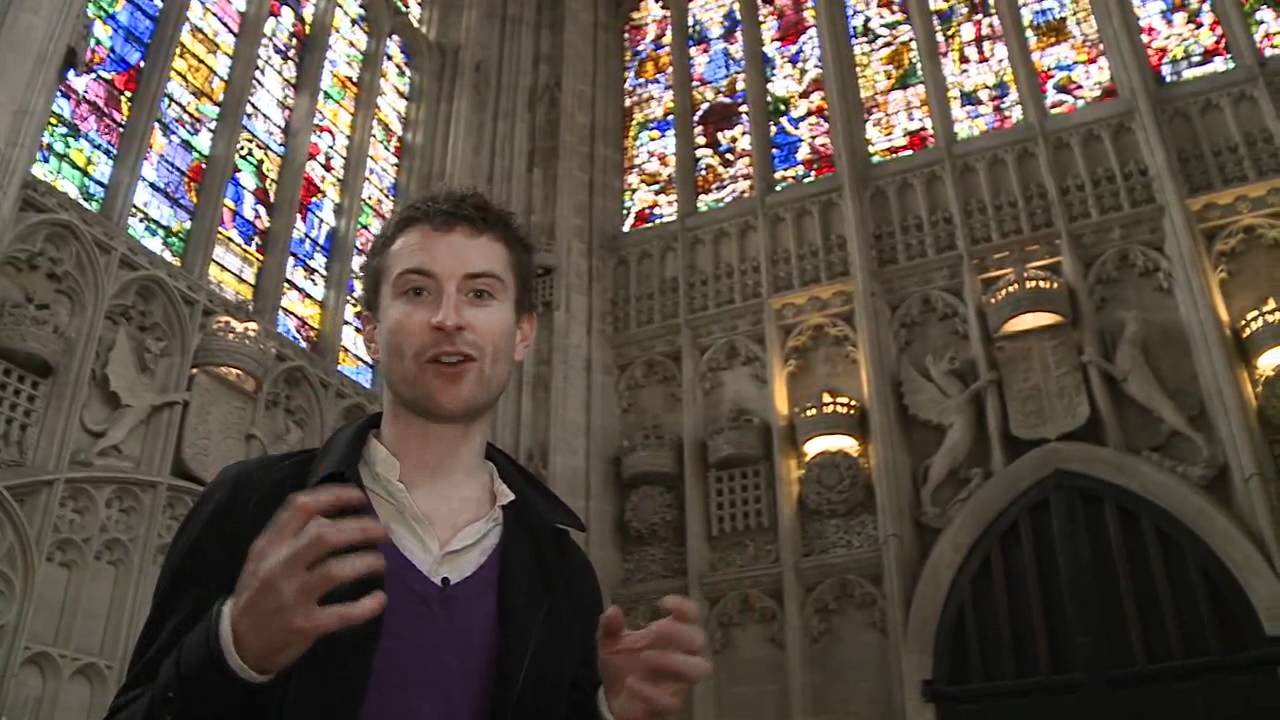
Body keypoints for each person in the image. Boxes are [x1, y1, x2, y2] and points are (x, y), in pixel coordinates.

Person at [104, 188, 713, 719]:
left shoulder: (560, 574)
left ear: (522, 332)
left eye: (479, 294)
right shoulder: (254, 506)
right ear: (371, 329)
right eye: (418, 291)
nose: (449, 319)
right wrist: (234, 650)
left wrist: (606, 714)